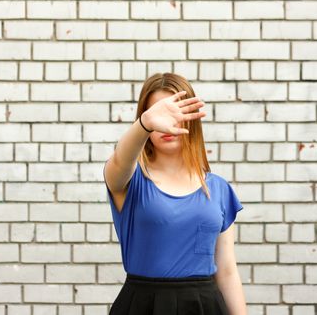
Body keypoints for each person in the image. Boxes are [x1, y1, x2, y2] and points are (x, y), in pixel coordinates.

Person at [103, 72, 247, 315]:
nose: (167, 123)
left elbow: (227, 271)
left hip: (205, 306)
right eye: (159, 113)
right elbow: (121, 158)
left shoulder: (219, 189)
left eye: (176, 113)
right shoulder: (128, 181)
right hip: (143, 306)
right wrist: (145, 124)